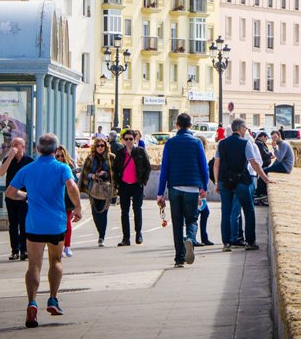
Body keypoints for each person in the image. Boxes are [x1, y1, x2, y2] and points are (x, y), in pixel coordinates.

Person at [6, 133, 81, 329]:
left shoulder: (28, 169)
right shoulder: (62, 167)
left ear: (37, 149)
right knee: (56, 261)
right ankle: (53, 299)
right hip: (56, 224)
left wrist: (26, 195)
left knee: (33, 265)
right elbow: (72, 187)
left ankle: (32, 302)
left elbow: (10, 192)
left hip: (34, 225)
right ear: (56, 151)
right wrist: (77, 207)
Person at [156, 113, 209, 268]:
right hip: (192, 187)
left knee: (177, 223)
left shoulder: (170, 143)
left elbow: (164, 168)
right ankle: (190, 239)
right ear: (190, 126)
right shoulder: (196, 142)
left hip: (175, 187)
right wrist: (203, 187)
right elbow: (204, 166)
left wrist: (160, 193)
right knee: (192, 219)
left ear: (177, 125)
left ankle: (179, 258)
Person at [214, 118, 270, 252]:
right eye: (245, 128)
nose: (246, 131)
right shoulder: (246, 143)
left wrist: (217, 182)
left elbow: (216, 164)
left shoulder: (221, 144)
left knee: (226, 212)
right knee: (249, 210)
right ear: (241, 129)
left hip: (224, 181)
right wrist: (265, 178)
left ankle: (226, 243)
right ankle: (250, 242)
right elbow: (254, 163)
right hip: (241, 181)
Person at [112, 128, 150, 246]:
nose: (128, 141)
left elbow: (147, 167)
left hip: (136, 185)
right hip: (124, 186)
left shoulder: (140, 152)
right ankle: (126, 238)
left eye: (131, 139)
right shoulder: (119, 153)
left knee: (137, 210)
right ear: (123, 140)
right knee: (124, 212)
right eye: (126, 139)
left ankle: (138, 233)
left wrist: (143, 181)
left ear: (135, 139)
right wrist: (117, 183)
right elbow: (115, 169)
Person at [0, 137, 34, 261]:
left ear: (22, 147)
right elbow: (1, 173)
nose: (14, 146)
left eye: (16, 144)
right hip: (10, 197)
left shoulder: (29, 161)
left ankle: (25, 250)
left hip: (24, 197)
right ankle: (15, 250)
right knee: (13, 224)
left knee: (24, 224)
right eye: (12, 144)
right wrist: (10, 158)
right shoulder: (8, 160)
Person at [79, 137, 114, 246]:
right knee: (95, 213)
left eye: (102, 146)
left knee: (103, 212)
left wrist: (105, 174)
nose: (100, 148)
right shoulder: (90, 158)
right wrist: (92, 175)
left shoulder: (111, 158)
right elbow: (85, 173)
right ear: (95, 147)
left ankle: (101, 237)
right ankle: (100, 231)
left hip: (106, 189)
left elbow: (114, 173)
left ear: (105, 146)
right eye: (98, 146)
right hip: (93, 188)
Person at [54, 145, 79, 257]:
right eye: (57, 156)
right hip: (55, 198)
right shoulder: (52, 166)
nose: (59, 158)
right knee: (57, 223)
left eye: (61, 156)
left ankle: (67, 246)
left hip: (67, 198)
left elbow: (74, 182)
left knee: (67, 222)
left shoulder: (70, 165)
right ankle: (59, 245)